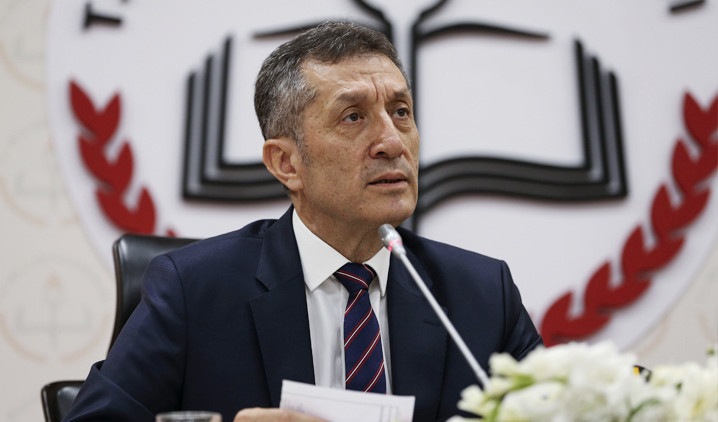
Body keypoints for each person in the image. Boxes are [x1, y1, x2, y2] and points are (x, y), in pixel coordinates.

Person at [64, 20, 542, 422]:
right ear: (286, 163)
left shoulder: (482, 294)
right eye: (353, 117)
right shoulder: (193, 291)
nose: (393, 142)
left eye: (401, 112)